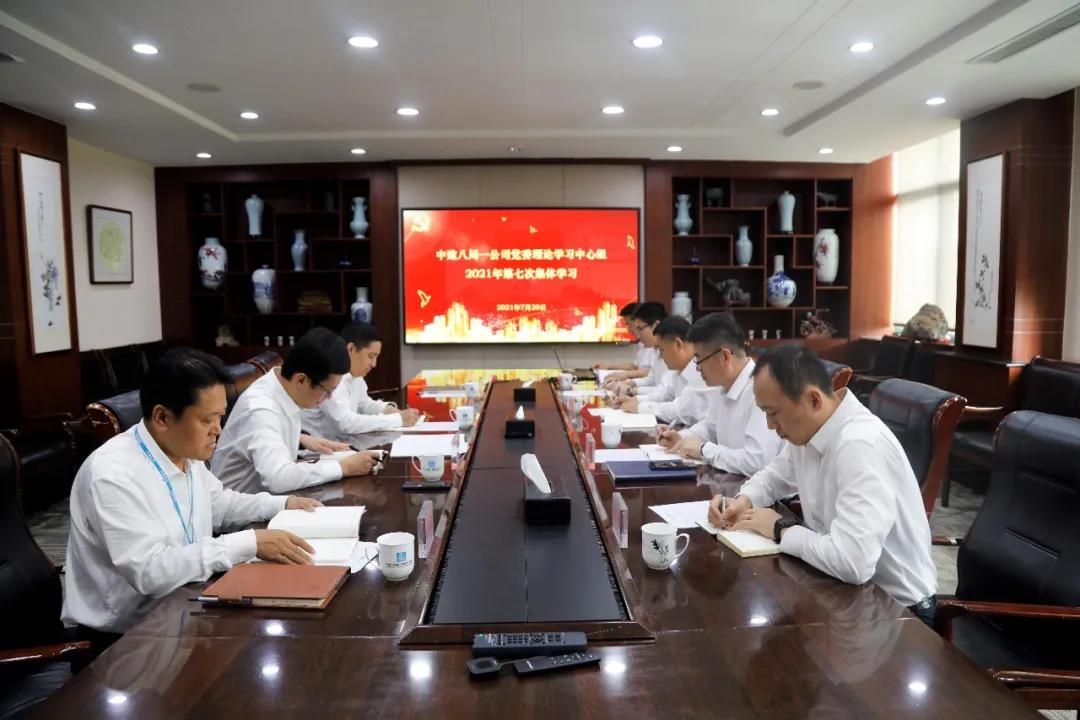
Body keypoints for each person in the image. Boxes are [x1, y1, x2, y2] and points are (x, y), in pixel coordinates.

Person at [63, 349, 323, 637]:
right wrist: (248, 543)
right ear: (162, 417)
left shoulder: (183, 449)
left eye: (220, 417)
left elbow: (220, 505)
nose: (218, 431)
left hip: (186, 604)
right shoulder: (112, 474)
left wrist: (284, 504)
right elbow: (150, 573)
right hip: (127, 637)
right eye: (207, 420)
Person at [709, 344, 937, 617]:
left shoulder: (859, 445)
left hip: (897, 612)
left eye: (773, 413)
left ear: (814, 400)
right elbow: (775, 476)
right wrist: (742, 501)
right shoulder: (810, 428)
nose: (770, 425)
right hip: (841, 590)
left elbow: (852, 562)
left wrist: (781, 528)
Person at [212, 327, 381, 494]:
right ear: (301, 380)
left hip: (273, 499)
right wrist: (343, 467)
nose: (329, 397)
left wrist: (301, 439)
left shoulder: (283, 388)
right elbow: (278, 478)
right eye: (327, 391)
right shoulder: (261, 409)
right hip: (245, 508)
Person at [658, 312, 783, 476]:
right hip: (730, 483)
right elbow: (710, 428)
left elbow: (756, 461)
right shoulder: (723, 386)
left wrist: (704, 450)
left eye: (699, 359)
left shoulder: (761, 389)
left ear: (724, 357)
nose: (697, 368)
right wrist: (681, 437)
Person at [302, 321, 421, 439]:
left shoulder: (356, 376)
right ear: (351, 349)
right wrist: (397, 420)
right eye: (370, 356)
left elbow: (365, 404)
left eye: (376, 357)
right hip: (315, 447)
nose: (374, 364)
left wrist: (390, 410)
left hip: (339, 443)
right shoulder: (332, 375)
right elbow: (346, 423)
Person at [613, 316, 711, 426]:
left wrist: (639, 406)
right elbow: (664, 396)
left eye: (661, 350)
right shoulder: (678, 369)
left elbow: (680, 410)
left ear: (678, 344)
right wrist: (634, 400)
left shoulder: (700, 370)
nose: (661, 356)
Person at [604, 301, 668, 392]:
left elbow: (664, 393)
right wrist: (629, 383)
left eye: (640, 329)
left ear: (655, 326)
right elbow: (651, 379)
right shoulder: (657, 350)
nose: (638, 335)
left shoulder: (670, 351)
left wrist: (630, 390)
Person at [594, 302, 641, 371]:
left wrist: (623, 375)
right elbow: (635, 366)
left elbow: (648, 372)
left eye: (628, 324)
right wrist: (607, 366)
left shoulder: (653, 346)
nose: (627, 329)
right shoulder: (642, 343)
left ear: (638, 322)